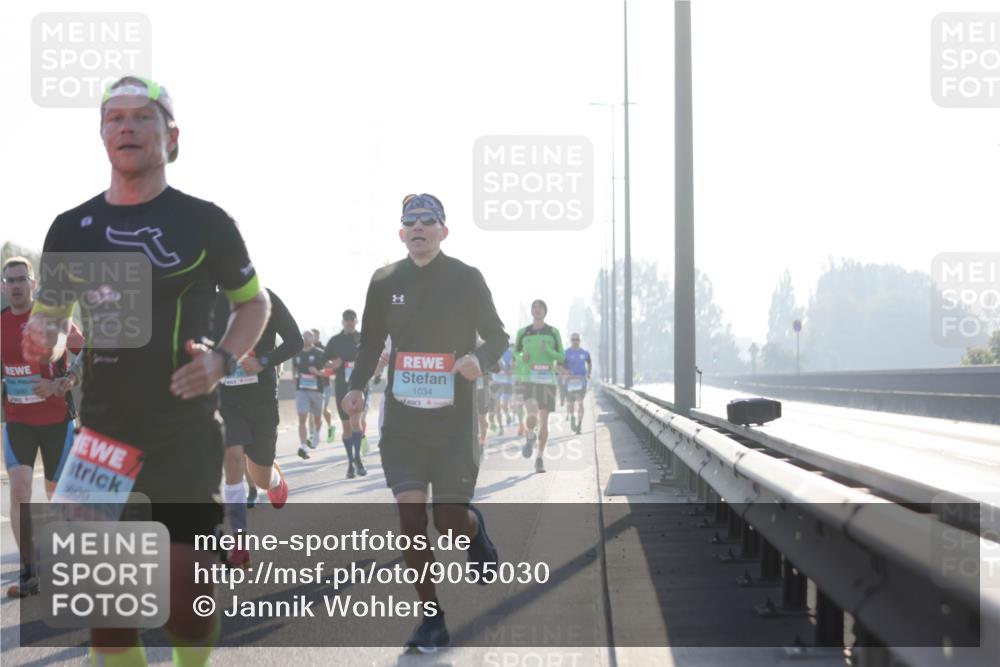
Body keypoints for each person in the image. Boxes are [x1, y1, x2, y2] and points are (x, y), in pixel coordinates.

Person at [23, 76, 270, 667]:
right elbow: (52, 321)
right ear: (102, 133)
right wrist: (45, 336)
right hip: (100, 440)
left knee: (187, 597)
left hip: (182, 434)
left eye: (142, 117)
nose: (126, 127)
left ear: (171, 135)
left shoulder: (205, 221)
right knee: (108, 619)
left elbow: (253, 304)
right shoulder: (68, 228)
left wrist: (221, 359)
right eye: (114, 118)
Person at [342, 193, 508, 652]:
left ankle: (474, 529)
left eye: (427, 220)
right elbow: (370, 342)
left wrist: (481, 358)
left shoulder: (466, 278)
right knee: (411, 519)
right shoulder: (384, 280)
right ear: (401, 233)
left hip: (453, 421)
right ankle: (431, 618)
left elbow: (498, 335)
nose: (418, 227)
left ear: (443, 230)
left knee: (448, 520)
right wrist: (355, 386)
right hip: (403, 423)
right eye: (410, 221)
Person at [2, 257, 83, 597]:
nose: (16, 285)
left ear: (33, 283)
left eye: (22, 279)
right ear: (4, 286)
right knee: (19, 489)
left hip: (56, 422)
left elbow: (86, 352)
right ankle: (30, 570)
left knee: (58, 497)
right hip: (17, 421)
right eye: (10, 280)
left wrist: (67, 379)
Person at [214, 287, 302, 567]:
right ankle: (240, 543)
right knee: (233, 457)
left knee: (261, 477)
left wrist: (264, 361)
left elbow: (295, 341)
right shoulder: (204, 300)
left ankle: (274, 480)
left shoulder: (265, 298)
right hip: (225, 398)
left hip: (261, 399)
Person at [513, 299, 565, 473]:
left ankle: (540, 458)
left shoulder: (553, 332)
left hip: (548, 381)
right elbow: (516, 352)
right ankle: (529, 434)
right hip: (528, 379)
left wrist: (548, 351)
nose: (537, 310)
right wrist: (522, 357)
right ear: (532, 311)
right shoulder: (523, 332)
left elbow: (562, 356)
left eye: (540, 307)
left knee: (544, 420)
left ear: (545, 311)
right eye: (534, 307)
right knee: (532, 414)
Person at [323, 309, 370, 478]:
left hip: (359, 387)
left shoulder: (363, 338)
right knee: (346, 428)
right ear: (342, 322)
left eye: (352, 319)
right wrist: (333, 364)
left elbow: (373, 357)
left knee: (356, 423)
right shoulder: (335, 341)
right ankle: (350, 463)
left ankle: (358, 460)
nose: (349, 322)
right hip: (342, 387)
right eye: (346, 319)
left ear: (356, 321)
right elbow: (325, 363)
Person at [293, 331, 327, 459]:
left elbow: (328, 371)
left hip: (317, 390)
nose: (305, 338)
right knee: (302, 418)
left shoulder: (319, 353)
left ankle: (317, 433)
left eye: (308, 336)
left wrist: (318, 372)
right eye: (303, 336)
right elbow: (295, 367)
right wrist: (294, 375)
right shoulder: (297, 353)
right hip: (301, 389)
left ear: (313, 338)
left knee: (317, 418)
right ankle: (303, 446)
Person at [562, 333, 592, 435]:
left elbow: (589, 362)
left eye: (577, 339)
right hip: (570, 381)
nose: (575, 341)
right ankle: (572, 417)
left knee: (580, 402)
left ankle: (579, 425)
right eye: (573, 339)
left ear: (580, 341)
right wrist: (565, 372)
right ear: (571, 341)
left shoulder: (585, 353)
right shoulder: (566, 353)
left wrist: (589, 373)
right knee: (570, 403)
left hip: (581, 381)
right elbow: (561, 365)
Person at [311, 327, 336, 442]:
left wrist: (319, 373)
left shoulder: (324, 350)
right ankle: (312, 436)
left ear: (318, 336)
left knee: (323, 410)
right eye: (310, 336)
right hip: (309, 386)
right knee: (311, 411)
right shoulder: (305, 350)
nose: (312, 338)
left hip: (324, 385)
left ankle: (330, 426)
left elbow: (331, 369)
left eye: (314, 336)